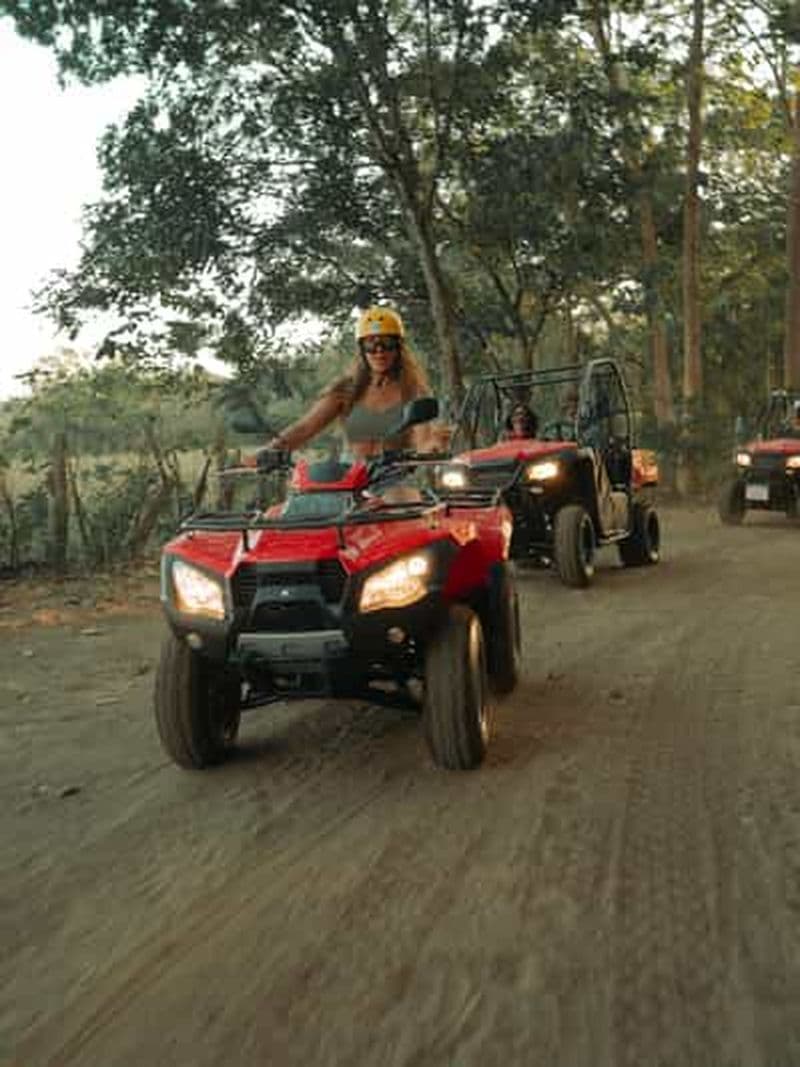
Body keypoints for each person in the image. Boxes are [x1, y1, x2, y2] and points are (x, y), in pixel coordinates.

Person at [265, 306, 440, 458]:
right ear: (362, 349)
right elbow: (304, 428)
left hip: (397, 479)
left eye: (387, 343)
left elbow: (424, 437)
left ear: (399, 347)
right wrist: (268, 451)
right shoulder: (346, 390)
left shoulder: (413, 391)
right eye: (371, 344)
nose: (379, 352)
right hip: (350, 478)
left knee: (398, 496)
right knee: (302, 496)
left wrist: (430, 448)